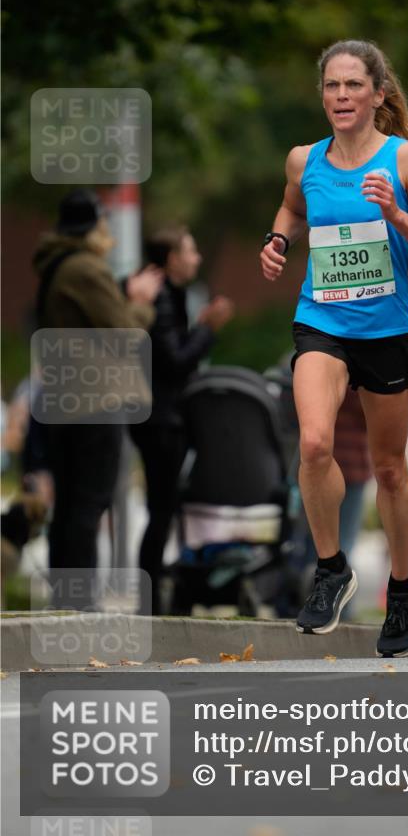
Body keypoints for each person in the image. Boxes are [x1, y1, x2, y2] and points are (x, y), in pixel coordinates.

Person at [260, 39, 408, 657]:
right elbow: (291, 209)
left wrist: (396, 213)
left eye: (352, 86)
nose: (340, 96)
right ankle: (331, 568)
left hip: (387, 330)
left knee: (390, 469)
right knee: (314, 442)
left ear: (377, 95)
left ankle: (401, 588)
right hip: (322, 320)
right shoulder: (303, 160)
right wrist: (278, 241)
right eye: (331, 86)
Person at [32, 188, 162, 601]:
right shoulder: (85, 268)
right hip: (95, 403)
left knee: (70, 506)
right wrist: (141, 302)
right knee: (88, 504)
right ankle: (80, 603)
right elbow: (125, 333)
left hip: (66, 401)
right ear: (93, 227)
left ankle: (65, 601)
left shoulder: (56, 266)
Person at [129, 226, 234, 614]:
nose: (197, 258)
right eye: (190, 251)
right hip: (161, 418)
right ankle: (151, 602)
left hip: (157, 414)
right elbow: (172, 360)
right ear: (172, 258)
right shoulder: (162, 297)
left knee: (164, 508)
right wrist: (207, 330)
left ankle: (155, 597)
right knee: (162, 508)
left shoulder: (168, 294)